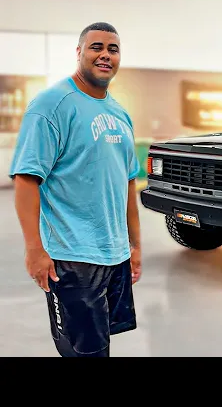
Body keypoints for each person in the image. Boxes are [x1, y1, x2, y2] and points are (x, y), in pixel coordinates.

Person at [9, 22, 142, 357]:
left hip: (115, 255)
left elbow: (128, 182)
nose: (105, 55)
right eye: (97, 47)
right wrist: (34, 250)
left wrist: (134, 246)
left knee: (101, 342)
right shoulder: (52, 104)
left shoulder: (120, 114)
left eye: (113, 49)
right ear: (79, 52)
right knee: (82, 350)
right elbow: (26, 179)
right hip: (71, 257)